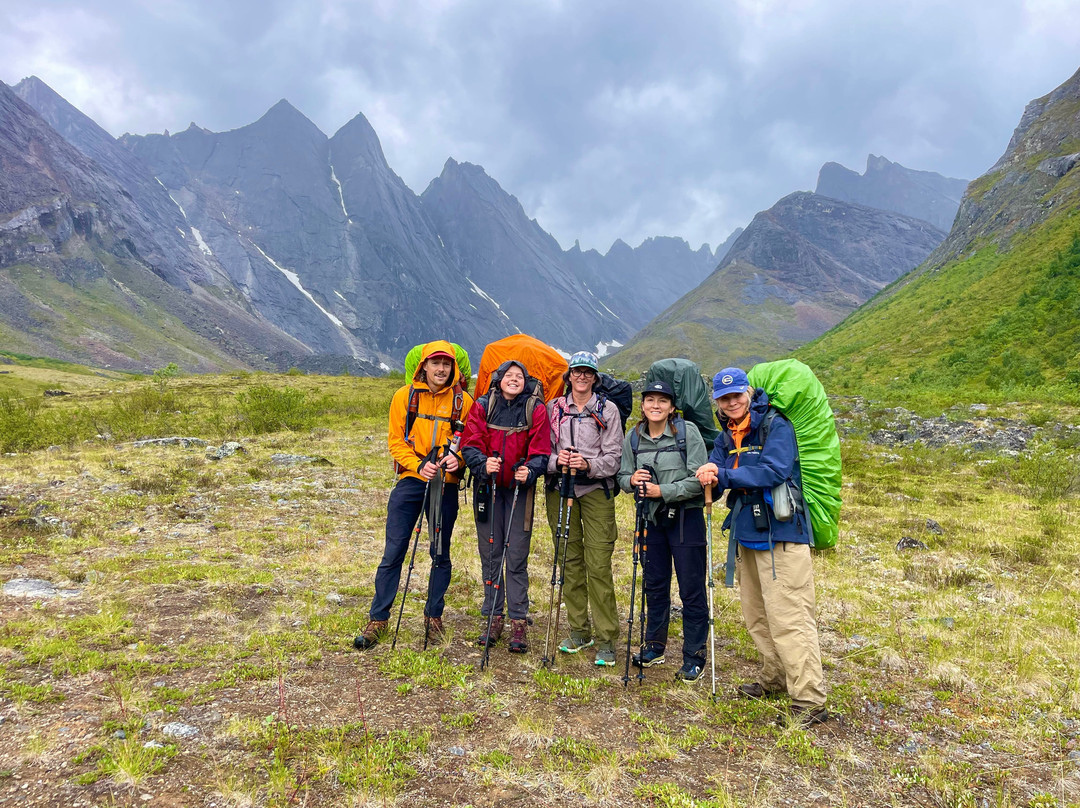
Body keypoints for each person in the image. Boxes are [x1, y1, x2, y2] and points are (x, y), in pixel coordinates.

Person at [695, 368, 829, 724]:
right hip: (747, 533)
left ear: (749, 393)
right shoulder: (726, 436)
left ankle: (809, 699)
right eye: (724, 399)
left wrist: (723, 475)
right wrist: (710, 470)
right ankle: (776, 678)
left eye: (737, 395)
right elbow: (720, 467)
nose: (732, 402)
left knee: (790, 617)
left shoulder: (776, 425)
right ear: (718, 404)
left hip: (782, 534)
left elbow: (775, 470)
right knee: (757, 616)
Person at [354, 340, 474, 650]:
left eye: (446, 364)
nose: (441, 369)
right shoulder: (403, 398)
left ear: (453, 368)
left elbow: (471, 446)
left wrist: (456, 461)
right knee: (394, 550)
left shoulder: (465, 403)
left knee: (440, 552)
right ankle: (378, 619)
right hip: (410, 480)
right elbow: (396, 441)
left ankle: (433, 618)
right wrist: (418, 465)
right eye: (435, 363)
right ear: (423, 366)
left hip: (445, 485)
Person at [616, 380, 709, 683]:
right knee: (655, 585)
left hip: (686, 518)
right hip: (650, 520)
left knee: (691, 587)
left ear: (672, 407)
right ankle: (654, 647)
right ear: (642, 406)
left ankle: (694, 656)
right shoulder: (634, 437)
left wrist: (662, 490)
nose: (655, 406)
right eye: (650, 400)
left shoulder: (687, 433)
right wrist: (632, 481)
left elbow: (700, 477)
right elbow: (622, 475)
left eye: (662, 401)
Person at [461, 360, 550, 653]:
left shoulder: (535, 409)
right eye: (509, 376)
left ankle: (518, 622)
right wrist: (482, 464)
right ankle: (493, 617)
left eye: (519, 376)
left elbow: (541, 448)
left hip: (518, 494)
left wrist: (531, 469)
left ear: (526, 381)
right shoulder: (483, 406)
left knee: (516, 555)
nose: (514, 380)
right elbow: (470, 443)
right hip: (489, 490)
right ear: (498, 380)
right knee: (490, 553)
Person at [545, 351, 623, 666]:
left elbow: (614, 456)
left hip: (595, 490)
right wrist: (558, 461)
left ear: (595, 377)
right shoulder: (554, 409)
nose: (581, 377)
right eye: (577, 371)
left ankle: (606, 638)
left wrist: (587, 464)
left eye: (587, 372)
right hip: (559, 489)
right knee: (568, 559)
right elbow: (542, 451)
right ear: (569, 375)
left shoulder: (608, 410)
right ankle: (579, 631)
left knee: (599, 564)